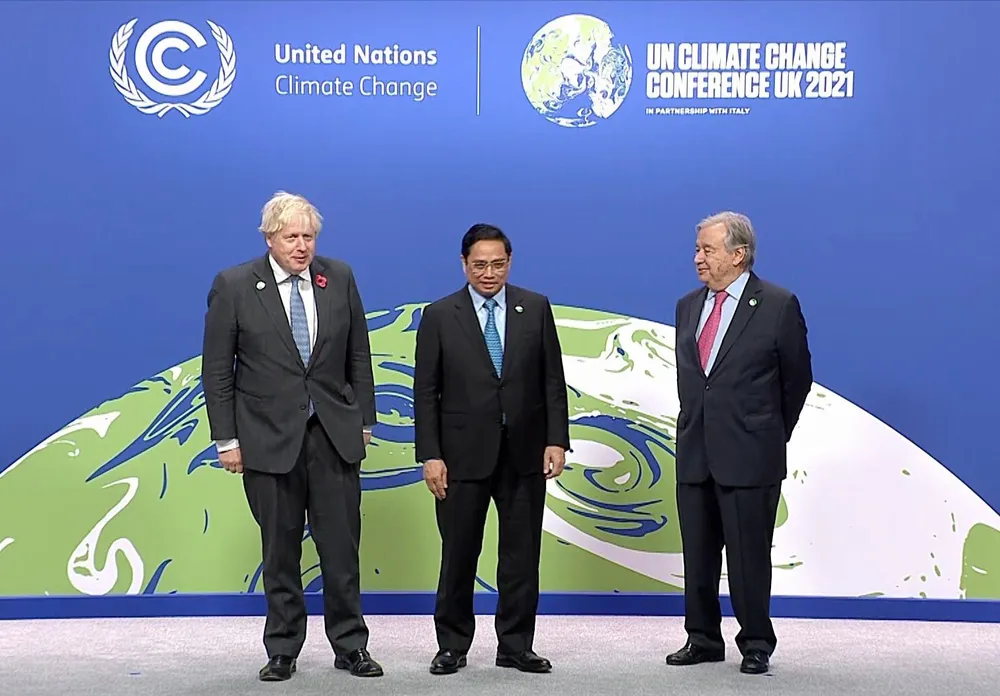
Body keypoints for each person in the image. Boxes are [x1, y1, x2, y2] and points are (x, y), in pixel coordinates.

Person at [201, 191, 383, 681]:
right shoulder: (235, 285)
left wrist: (363, 420)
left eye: (309, 236)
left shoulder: (338, 277)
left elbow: (358, 355)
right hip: (265, 439)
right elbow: (218, 371)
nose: (302, 246)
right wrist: (227, 440)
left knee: (342, 548)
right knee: (279, 550)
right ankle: (282, 648)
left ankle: (350, 646)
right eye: (292, 237)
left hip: (334, 436)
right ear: (269, 238)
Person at [413, 223, 570, 676]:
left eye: (497, 264)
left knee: (521, 556)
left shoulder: (534, 308)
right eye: (479, 264)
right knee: (459, 554)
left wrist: (556, 440)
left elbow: (552, 382)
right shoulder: (440, 315)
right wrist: (431, 454)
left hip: (524, 453)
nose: (489, 272)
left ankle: (516, 645)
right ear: (463, 264)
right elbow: (426, 391)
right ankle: (452, 645)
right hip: (460, 457)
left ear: (510, 261)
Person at [667, 211, 812, 676]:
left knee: (749, 556)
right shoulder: (687, 305)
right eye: (697, 250)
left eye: (707, 250)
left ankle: (755, 642)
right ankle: (703, 638)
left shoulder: (777, 304)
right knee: (699, 553)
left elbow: (797, 380)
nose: (698, 259)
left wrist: (768, 432)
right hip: (695, 452)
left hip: (751, 454)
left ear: (738, 254)